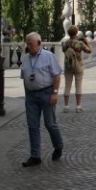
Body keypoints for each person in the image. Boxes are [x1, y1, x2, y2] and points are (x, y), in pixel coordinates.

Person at [19, 32, 64, 168]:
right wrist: (27, 95)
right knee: (33, 126)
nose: (28, 46)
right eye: (27, 44)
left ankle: (58, 146)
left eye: (31, 44)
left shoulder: (48, 56)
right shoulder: (25, 58)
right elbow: (25, 77)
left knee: (50, 124)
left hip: (46, 92)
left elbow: (56, 75)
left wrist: (55, 93)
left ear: (39, 44)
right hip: (31, 96)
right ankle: (35, 156)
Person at [61, 25, 92, 113]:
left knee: (67, 85)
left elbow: (64, 51)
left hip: (68, 66)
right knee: (78, 85)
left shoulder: (65, 43)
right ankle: (78, 107)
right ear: (76, 33)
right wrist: (87, 42)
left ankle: (66, 106)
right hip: (78, 65)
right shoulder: (80, 43)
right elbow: (89, 51)